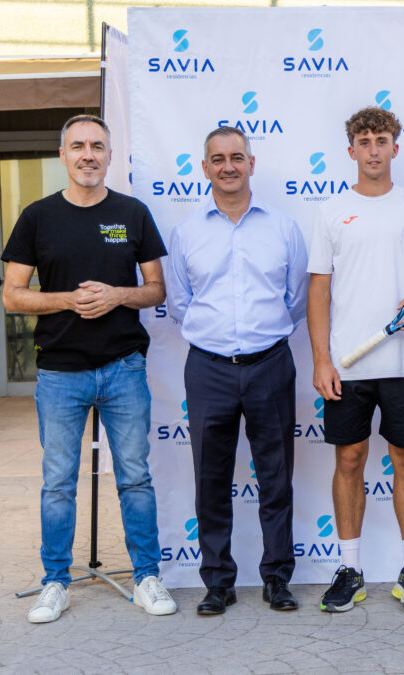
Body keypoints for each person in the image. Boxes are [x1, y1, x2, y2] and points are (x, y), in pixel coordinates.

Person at [2, 114, 177, 623]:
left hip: (123, 369)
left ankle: (147, 577)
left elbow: (156, 289)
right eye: (77, 146)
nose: (87, 155)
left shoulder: (132, 213)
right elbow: (13, 296)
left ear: (110, 155)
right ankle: (55, 583)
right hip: (60, 373)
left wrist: (117, 295)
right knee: (58, 482)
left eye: (97, 146)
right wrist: (69, 301)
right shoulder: (37, 217)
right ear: (62, 155)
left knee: (135, 478)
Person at [166, 126, 307, 615]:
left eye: (237, 157)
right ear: (205, 167)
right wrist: (217, 338)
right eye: (218, 159)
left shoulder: (283, 228)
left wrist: (262, 336)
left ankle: (277, 579)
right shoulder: (186, 233)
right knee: (210, 478)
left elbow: (295, 299)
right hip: (208, 368)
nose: (228, 166)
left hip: (270, 364)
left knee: (276, 477)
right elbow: (180, 302)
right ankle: (217, 582)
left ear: (251, 163)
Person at [308, 107, 404, 612]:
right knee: (349, 460)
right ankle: (350, 569)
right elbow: (319, 291)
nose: (373, 149)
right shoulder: (331, 211)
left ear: (395, 148)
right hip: (349, 364)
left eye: (381, 140)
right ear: (351, 151)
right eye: (364, 142)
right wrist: (322, 360)